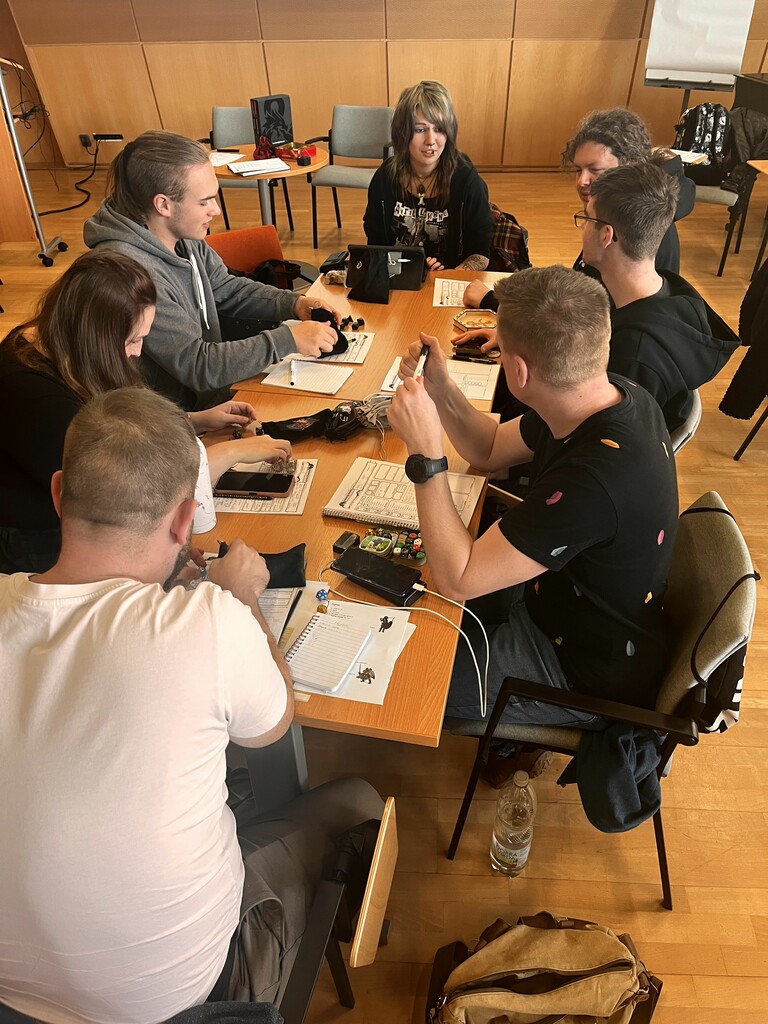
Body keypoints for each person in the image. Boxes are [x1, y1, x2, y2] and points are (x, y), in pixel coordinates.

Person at [0, 387, 383, 1023]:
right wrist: (241, 602)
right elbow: (273, 725)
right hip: (183, 1002)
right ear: (185, 522)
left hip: (12, 1000)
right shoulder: (209, 619)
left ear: (59, 493)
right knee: (359, 802)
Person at [387, 266, 679, 735]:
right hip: (561, 603)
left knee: (406, 682)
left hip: (578, 668)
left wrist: (425, 455)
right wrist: (440, 390)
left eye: (500, 351)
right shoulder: (601, 395)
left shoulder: (594, 481)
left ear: (519, 372)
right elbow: (488, 449)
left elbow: (457, 580)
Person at [0, 250, 292, 575]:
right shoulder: (35, 396)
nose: (137, 351)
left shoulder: (59, 349)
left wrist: (195, 420)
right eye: (132, 340)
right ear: (95, 339)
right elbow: (131, 489)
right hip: (41, 546)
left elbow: (116, 429)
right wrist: (231, 452)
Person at [83, 130, 339, 410]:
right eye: (204, 201)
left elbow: (225, 288)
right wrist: (286, 340)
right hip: (179, 419)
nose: (215, 210)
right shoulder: (130, 274)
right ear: (164, 205)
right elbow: (197, 365)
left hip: (212, 398)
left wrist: (294, 304)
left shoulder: (183, 235)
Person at [461, 106, 696, 311]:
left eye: (595, 170)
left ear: (630, 167)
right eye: (578, 170)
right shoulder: (622, 215)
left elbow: (584, 318)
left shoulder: (639, 230)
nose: (582, 181)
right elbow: (581, 288)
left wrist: (495, 302)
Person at [583, 162, 739, 431]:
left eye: (586, 219)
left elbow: (603, 438)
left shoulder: (633, 356)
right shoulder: (671, 289)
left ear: (606, 236)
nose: (583, 227)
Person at [363, 80, 493, 272]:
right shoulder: (384, 178)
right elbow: (375, 243)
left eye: (439, 129)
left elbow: (480, 253)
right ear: (403, 132)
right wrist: (401, 271)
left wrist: (449, 277)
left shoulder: (467, 180)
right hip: (397, 277)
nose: (431, 140)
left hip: (450, 279)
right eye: (420, 129)